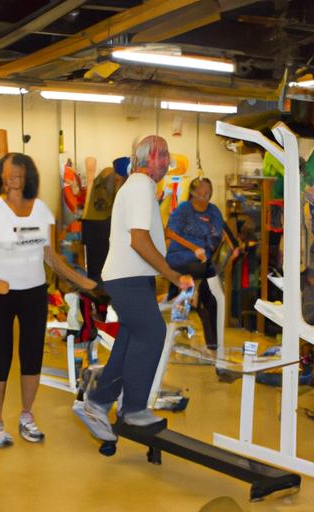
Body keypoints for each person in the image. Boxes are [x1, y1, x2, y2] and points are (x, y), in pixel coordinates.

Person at [0, 152, 96, 448]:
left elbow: (52, 256)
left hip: (34, 291)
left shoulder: (42, 211)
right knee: (1, 355)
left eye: (19, 174)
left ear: (28, 177)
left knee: (32, 354)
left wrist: (85, 282)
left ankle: (27, 415)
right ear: (0, 175)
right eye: (8, 173)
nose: (12, 178)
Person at [75, 135, 194, 441]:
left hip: (130, 277)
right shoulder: (141, 185)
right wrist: (172, 275)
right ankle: (133, 410)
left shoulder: (137, 186)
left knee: (129, 341)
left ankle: (98, 403)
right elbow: (139, 240)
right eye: (162, 155)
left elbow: (144, 238)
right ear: (145, 158)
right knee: (153, 333)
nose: (167, 160)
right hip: (128, 278)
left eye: (167, 154)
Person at [165, 177, 224, 349]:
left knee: (212, 299)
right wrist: (194, 248)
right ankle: (192, 298)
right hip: (181, 257)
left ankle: (213, 343)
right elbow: (169, 232)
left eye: (207, 191)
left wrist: (218, 251)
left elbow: (218, 235)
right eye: (200, 191)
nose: (204, 194)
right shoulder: (184, 209)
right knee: (199, 287)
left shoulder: (214, 212)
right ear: (193, 193)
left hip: (203, 261)